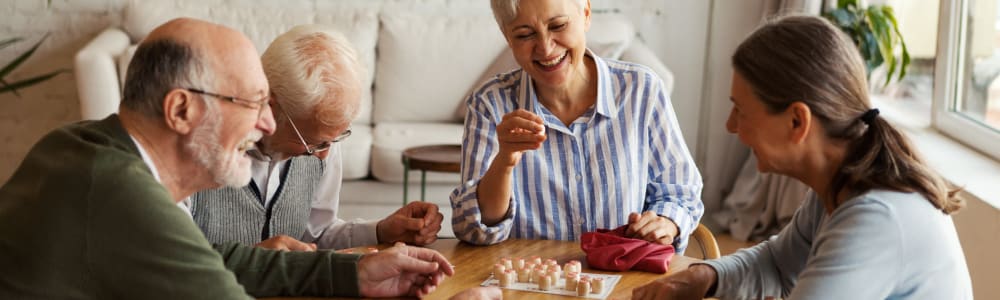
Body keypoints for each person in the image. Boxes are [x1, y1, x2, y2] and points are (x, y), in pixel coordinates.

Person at [0, 18, 453, 299]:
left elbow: (213, 261)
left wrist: (355, 273)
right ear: (181, 110)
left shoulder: (79, 147)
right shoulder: (121, 193)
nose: (267, 125)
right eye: (254, 103)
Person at [632, 15, 972, 300]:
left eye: (741, 110)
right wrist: (703, 276)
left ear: (797, 121)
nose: (731, 126)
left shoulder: (876, 220)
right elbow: (778, 263)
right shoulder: (837, 186)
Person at [450, 0, 703, 252]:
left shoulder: (642, 90)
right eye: (525, 34)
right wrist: (504, 161)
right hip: (529, 286)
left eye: (558, 25)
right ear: (507, 37)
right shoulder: (488, 104)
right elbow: (474, 229)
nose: (546, 48)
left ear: (586, 14)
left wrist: (666, 223)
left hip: (623, 282)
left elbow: (681, 193)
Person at [188, 24, 443, 251]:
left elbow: (317, 234)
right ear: (270, 106)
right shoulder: (196, 148)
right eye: (313, 143)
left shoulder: (323, 139)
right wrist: (257, 260)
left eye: (335, 138)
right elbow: (170, 261)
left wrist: (381, 231)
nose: (323, 154)